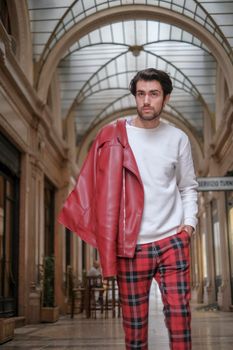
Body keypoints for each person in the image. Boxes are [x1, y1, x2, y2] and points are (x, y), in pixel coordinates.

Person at [59, 68, 198, 350]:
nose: (146, 100)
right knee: (134, 329)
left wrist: (189, 224)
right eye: (141, 94)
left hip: (173, 241)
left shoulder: (178, 138)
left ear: (166, 98)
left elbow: (188, 187)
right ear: (135, 96)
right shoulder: (114, 136)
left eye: (154, 94)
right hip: (131, 246)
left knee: (180, 317)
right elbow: (95, 187)